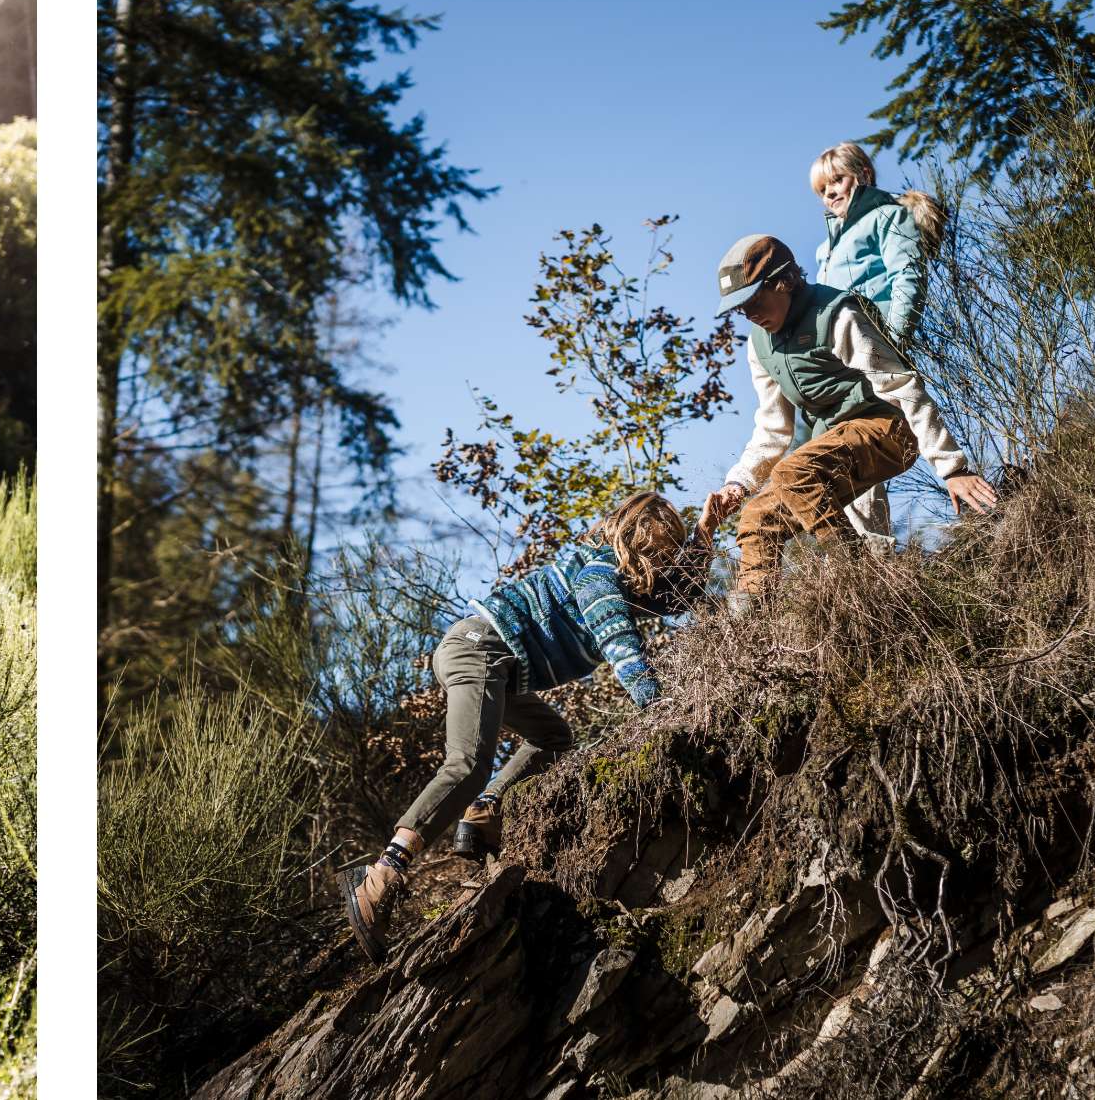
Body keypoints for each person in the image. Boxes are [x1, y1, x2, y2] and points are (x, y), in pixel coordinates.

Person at [339, 493, 707, 963]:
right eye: (658, 551)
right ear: (634, 546)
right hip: (478, 650)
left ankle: (483, 811)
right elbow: (623, 649)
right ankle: (381, 874)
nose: (663, 561)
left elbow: (674, 596)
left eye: (668, 552)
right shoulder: (599, 579)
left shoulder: (616, 577)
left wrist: (706, 531)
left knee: (553, 737)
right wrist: (664, 711)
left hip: (499, 665)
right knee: (468, 762)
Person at [697, 234, 996, 608]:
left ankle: (855, 585)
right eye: (740, 308)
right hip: (834, 442)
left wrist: (952, 468)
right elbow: (773, 429)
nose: (749, 314)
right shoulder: (759, 345)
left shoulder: (837, 315)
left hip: (887, 429)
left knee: (795, 472)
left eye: (755, 299)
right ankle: (751, 628)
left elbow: (900, 384)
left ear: (784, 281)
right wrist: (738, 485)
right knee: (758, 518)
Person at [807, 141, 952, 545]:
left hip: (876, 352)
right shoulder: (825, 247)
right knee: (836, 459)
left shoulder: (888, 217)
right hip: (838, 363)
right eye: (823, 188)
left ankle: (876, 564)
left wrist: (896, 343)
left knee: (862, 450)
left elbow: (908, 277)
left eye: (838, 180)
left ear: (863, 175)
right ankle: (859, 564)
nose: (831, 192)